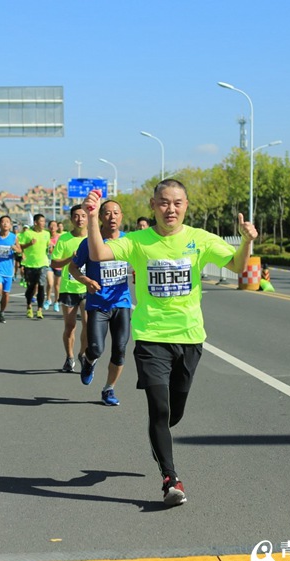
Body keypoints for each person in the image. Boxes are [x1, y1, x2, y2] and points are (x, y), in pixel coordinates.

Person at [83, 179, 257, 506]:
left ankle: (161, 437)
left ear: (186, 206)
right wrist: (93, 217)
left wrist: (246, 243)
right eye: (164, 202)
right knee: (159, 410)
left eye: (177, 202)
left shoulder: (199, 239)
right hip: (151, 338)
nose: (170, 208)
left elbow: (237, 265)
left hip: (190, 337)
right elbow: (99, 252)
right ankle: (170, 479)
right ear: (153, 205)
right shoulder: (137, 241)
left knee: (173, 413)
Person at [70, 199, 131, 406]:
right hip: (98, 305)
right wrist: (86, 281)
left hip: (121, 303)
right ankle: (88, 361)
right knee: (96, 348)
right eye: (107, 213)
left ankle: (109, 389)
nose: (112, 217)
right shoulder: (89, 243)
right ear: (100, 217)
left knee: (120, 349)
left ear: (122, 216)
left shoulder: (128, 241)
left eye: (116, 213)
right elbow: (73, 268)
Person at [51, 204, 89, 372]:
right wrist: (70, 259)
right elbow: (54, 263)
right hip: (68, 288)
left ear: (88, 217)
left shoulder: (94, 237)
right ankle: (70, 357)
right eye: (76, 216)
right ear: (71, 219)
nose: (79, 219)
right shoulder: (64, 239)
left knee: (88, 324)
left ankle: (82, 354)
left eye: (83, 215)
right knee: (70, 326)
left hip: (88, 288)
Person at [0, 215, 20, 324]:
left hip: (8, 270)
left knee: (6, 294)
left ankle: (2, 312)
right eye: (3, 222)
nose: (5, 223)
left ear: (10, 225)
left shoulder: (14, 237)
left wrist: (16, 249)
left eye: (7, 222)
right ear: (0, 224)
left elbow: (20, 251)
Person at [17, 214, 51, 319]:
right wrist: (29, 244)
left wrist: (50, 249)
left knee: (41, 286)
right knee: (31, 287)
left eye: (44, 221)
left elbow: (47, 245)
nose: (43, 223)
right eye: (41, 221)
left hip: (43, 263)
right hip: (29, 264)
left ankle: (39, 310)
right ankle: (29, 306)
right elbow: (19, 246)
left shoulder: (46, 234)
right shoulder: (27, 233)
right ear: (35, 222)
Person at [44, 220, 61, 312]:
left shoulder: (60, 238)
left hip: (58, 263)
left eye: (54, 225)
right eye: (51, 225)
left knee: (57, 285)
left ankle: (56, 302)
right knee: (50, 283)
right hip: (48, 262)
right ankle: (48, 300)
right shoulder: (46, 236)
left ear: (57, 228)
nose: (52, 227)